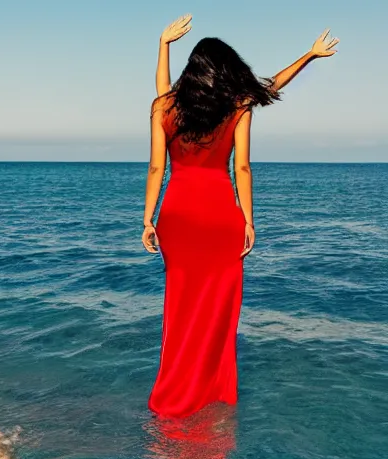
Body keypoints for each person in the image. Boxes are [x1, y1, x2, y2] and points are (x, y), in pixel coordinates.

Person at [142, 15, 339, 418]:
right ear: (226, 71)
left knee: (180, 307)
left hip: (176, 217)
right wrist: (249, 220)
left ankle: (175, 393)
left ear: (192, 70)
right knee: (216, 310)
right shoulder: (238, 106)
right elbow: (243, 168)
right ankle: (212, 395)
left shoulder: (163, 106)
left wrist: (147, 219)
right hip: (219, 216)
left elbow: (155, 169)